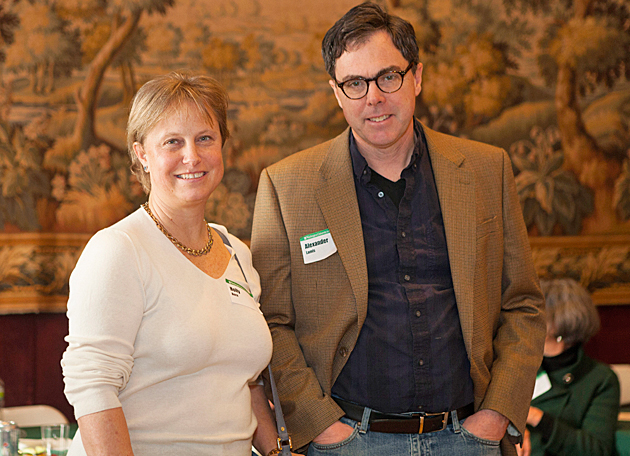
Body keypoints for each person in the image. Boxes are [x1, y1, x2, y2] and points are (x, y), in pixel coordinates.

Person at [250, 2, 546, 455]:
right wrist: (321, 426)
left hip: (468, 437)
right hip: (347, 441)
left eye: (388, 76)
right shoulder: (286, 186)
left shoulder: (487, 170)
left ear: (417, 77)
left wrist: (496, 415)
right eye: (355, 83)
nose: (373, 97)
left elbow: (522, 303)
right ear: (337, 93)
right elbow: (273, 322)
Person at [61, 72, 293, 456]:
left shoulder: (237, 252)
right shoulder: (118, 250)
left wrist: (275, 451)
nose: (192, 156)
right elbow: (93, 387)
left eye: (205, 138)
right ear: (142, 154)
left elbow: (242, 382)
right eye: (173, 142)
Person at [517, 278, 620, 456]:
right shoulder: (520, 365)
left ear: (561, 325)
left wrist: (537, 418)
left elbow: (597, 450)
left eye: (538, 314)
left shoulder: (600, 379)